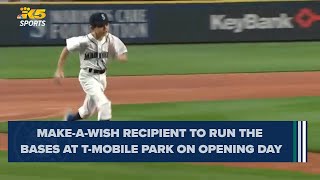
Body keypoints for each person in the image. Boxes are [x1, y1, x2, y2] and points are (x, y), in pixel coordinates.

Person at [54, 12, 128, 121]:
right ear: (92, 28)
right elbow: (66, 49)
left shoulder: (111, 39)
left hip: (102, 78)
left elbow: (122, 54)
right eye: (101, 25)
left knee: (87, 111)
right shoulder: (84, 41)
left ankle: (70, 119)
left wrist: (119, 56)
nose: (105, 28)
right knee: (104, 104)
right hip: (87, 77)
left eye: (106, 24)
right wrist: (59, 69)